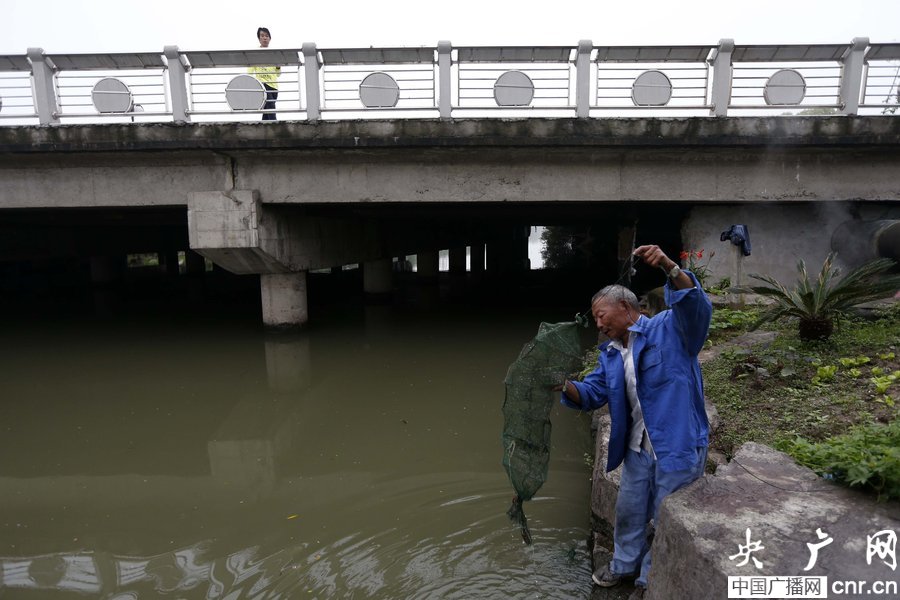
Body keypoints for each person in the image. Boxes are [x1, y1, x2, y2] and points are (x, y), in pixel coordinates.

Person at [557, 244, 712, 600]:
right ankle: (624, 565)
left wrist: (671, 268)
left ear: (626, 309)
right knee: (629, 511)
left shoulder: (671, 330)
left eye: (601, 316)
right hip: (637, 449)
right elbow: (591, 393)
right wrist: (561, 385)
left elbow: (694, 306)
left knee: (666, 518)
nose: (598, 324)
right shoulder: (610, 355)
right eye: (595, 318)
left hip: (677, 445)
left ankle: (648, 580)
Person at [248, 27, 280, 121]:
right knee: (270, 105)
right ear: (259, 38)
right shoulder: (255, 53)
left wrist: (278, 66)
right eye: (262, 36)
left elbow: (278, 73)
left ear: (270, 38)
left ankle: (263, 128)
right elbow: (250, 70)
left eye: (266, 36)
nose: (265, 38)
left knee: (267, 110)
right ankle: (275, 126)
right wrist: (251, 83)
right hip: (262, 84)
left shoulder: (273, 53)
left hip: (274, 86)